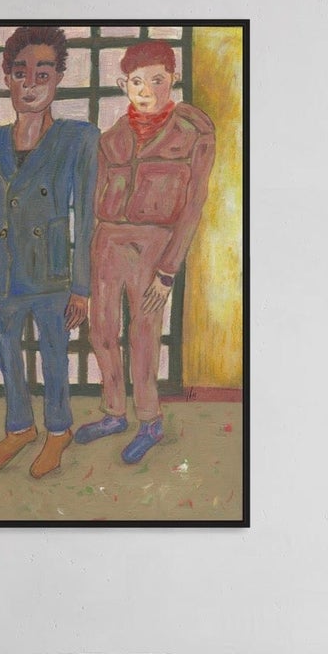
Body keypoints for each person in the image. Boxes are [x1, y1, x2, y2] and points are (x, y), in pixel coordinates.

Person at [0, 25, 98, 479]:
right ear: (6, 77)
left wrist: (82, 286)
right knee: (5, 353)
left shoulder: (78, 139)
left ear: (58, 78)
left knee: (54, 354)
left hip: (51, 272)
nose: (30, 85)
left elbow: (87, 216)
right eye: (20, 73)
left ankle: (58, 429)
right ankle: (19, 427)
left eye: (42, 73)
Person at [74, 39, 214, 463]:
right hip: (108, 241)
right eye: (137, 81)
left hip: (154, 245)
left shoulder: (194, 132)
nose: (147, 90)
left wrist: (168, 268)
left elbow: (194, 206)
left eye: (157, 80)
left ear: (172, 79)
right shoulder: (111, 139)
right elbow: (91, 202)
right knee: (101, 330)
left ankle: (149, 420)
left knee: (144, 334)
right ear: (123, 84)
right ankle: (115, 411)